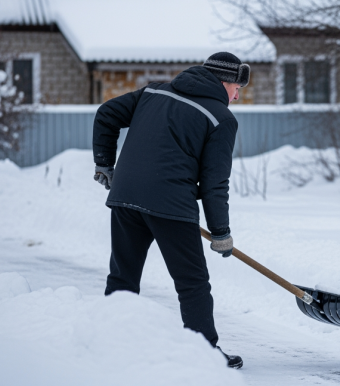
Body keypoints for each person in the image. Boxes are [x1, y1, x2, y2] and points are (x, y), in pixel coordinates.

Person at [91, 52, 248, 369]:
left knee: (123, 276)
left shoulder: (154, 91)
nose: (239, 93)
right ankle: (203, 353)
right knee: (193, 284)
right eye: (237, 86)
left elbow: (106, 113)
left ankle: (110, 340)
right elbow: (216, 181)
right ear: (223, 81)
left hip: (126, 196)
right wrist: (220, 232)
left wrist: (105, 164)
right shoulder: (221, 118)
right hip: (171, 206)